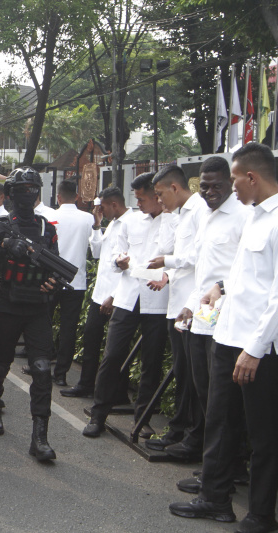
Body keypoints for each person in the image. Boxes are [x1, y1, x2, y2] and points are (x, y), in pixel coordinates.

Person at [170, 144, 278, 532]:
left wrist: (255, 348)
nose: (230, 186)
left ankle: (261, 514)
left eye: (233, 178)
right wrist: (219, 285)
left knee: (263, 434)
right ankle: (216, 499)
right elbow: (244, 275)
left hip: (258, 346)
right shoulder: (256, 217)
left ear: (250, 177)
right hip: (228, 336)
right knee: (220, 419)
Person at [166, 157, 249, 499]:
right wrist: (190, 303)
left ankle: (224, 472)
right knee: (207, 398)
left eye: (218, 185)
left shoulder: (243, 217)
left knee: (222, 406)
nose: (210, 192)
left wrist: (220, 289)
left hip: (226, 325)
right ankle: (219, 468)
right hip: (201, 320)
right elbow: (202, 267)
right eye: (206, 185)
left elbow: (243, 271)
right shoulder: (207, 215)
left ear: (230, 183)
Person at [83, 172, 173, 440]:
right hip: (127, 296)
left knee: (151, 361)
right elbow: (114, 253)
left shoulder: (174, 222)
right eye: (136, 198)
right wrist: (120, 260)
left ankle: (143, 419)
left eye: (142, 198)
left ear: (157, 195)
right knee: (111, 356)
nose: (139, 203)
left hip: (157, 300)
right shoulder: (131, 221)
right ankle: (99, 414)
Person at [0, 167, 59, 461]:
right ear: (10, 194)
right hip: (7, 305)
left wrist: (52, 285)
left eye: (32, 189)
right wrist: (3, 248)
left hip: (37, 308)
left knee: (41, 370)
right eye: (21, 190)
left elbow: (55, 269)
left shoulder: (46, 228)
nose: (27, 195)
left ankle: (40, 437)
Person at [145, 165, 206, 460]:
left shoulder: (199, 211)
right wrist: (167, 272)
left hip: (192, 307)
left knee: (193, 376)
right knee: (182, 372)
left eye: (160, 194)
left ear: (174, 188)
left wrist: (166, 261)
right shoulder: (181, 214)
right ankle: (179, 429)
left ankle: (190, 435)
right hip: (178, 303)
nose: (159, 202)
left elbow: (197, 256)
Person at [61, 187, 131, 398]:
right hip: (100, 293)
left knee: (115, 347)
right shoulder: (111, 224)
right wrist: (97, 225)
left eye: (102, 208)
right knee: (91, 339)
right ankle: (86, 384)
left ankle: (116, 392)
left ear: (113, 204)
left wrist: (115, 295)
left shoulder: (130, 224)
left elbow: (128, 266)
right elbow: (97, 252)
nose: (99, 211)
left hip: (116, 296)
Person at [49, 179, 95, 386]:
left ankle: (39, 364)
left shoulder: (49, 216)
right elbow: (96, 250)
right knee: (69, 328)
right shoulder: (88, 218)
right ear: (76, 196)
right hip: (76, 282)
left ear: (58, 197)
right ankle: (61, 373)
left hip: (50, 279)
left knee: (43, 322)